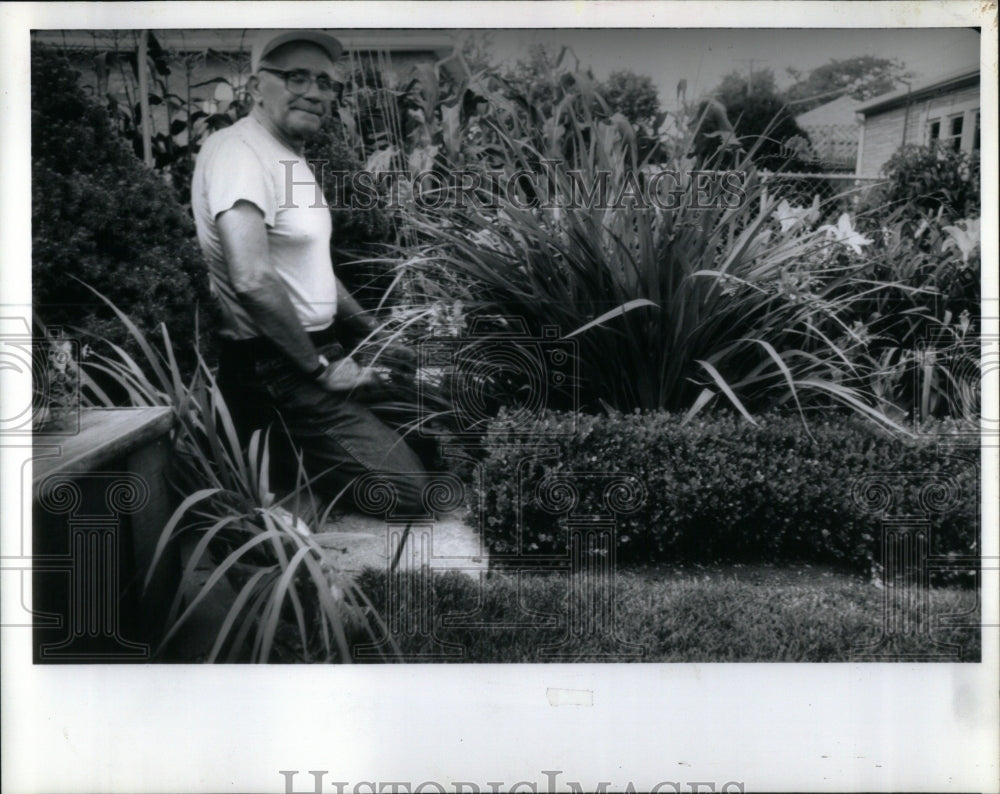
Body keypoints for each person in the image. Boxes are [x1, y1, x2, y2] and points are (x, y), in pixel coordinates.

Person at [191, 29, 427, 514]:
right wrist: (320, 370)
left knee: (436, 424)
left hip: (317, 350)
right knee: (408, 492)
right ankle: (280, 464)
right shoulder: (239, 152)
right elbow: (252, 279)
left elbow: (313, 266)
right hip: (276, 365)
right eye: (296, 77)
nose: (315, 92)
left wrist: (374, 332)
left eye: (325, 83)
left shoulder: (288, 155)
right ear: (257, 86)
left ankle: (298, 450)